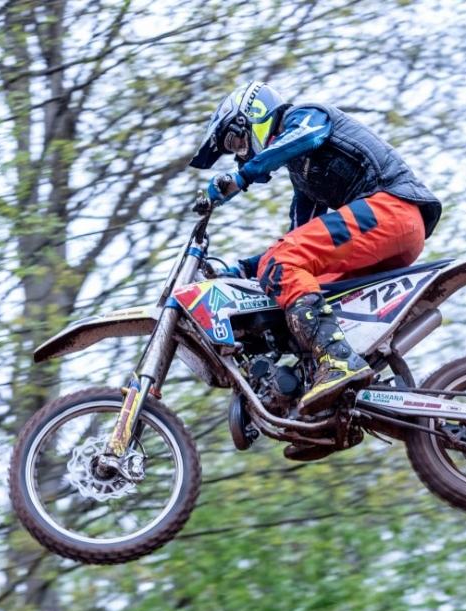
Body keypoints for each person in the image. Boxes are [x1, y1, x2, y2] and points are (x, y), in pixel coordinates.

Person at [190, 81, 443, 420]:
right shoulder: (304, 179)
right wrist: (241, 271)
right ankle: (336, 396)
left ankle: (338, 360)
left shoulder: (306, 116)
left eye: (237, 142)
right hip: (386, 232)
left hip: (393, 209)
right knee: (295, 277)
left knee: (281, 261)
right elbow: (297, 240)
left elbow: (307, 137)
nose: (240, 154)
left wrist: (242, 177)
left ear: (253, 115)